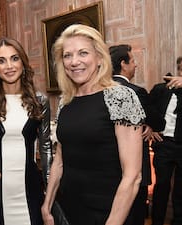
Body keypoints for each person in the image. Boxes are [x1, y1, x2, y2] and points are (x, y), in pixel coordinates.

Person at [41, 24, 145, 225]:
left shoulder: (120, 96)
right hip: (70, 210)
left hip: (110, 213)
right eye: (67, 55)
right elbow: (60, 159)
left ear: (99, 58)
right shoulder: (66, 102)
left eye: (83, 53)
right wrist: (47, 205)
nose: (74, 62)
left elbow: (133, 176)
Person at [0, 37, 52, 225]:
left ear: (23, 63)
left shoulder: (40, 100)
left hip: (30, 189)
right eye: (1, 61)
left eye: (14, 58)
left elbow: (46, 147)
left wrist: (50, 194)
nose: (9, 66)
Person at [109, 44, 158, 225]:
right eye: (133, 61)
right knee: (135, 215)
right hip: (135, 169)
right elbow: (159, 121)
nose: (136, 65)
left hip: (109, 172)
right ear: (123, 64)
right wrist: (149, 124)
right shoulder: (136, 92)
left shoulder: (99, 92)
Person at [149, 56, 182, 225]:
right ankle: (157, 221)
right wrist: (151, 128)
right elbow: (148, 108)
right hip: (165, 145)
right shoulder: (161, 89)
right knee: (161, 187)